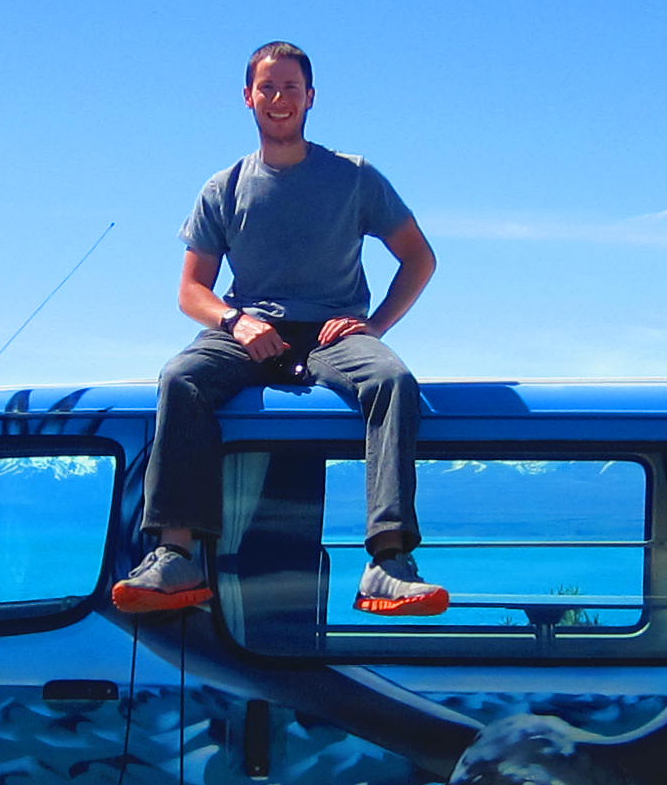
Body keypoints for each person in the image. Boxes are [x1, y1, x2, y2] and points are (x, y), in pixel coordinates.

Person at [114, 41, 448, 618]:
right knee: (180, 378)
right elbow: (191, 291)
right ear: (248, 97)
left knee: (392, 381)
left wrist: (373, 325)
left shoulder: (354, 177)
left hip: (333, 334)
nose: (278, 98)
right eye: (267, 87)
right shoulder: (223, 187)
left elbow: (419, 258)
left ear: (310, 97)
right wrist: (236, 321)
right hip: (249, 330)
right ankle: (175, 555)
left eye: (290, 87)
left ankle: (388, 563)